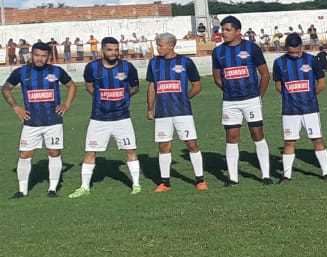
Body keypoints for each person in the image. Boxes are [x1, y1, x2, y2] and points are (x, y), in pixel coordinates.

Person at [70, 37, 142, 197]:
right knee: (90, 151)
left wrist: (124, 96)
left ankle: (136, 185)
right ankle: (84, 187)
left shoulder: (127, 67)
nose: (114, 53)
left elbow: (135, 87)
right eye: (110, 49)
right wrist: (99, 97)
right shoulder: (92, 67)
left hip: (122, 118)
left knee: (130, 150)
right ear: (102, 50)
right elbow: (89, 85)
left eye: (116, 49)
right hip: (98, 118)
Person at [4, 42, 76, 197]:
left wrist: (66, 104)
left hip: (53, 122)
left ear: (48, 56)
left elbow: (71, 86)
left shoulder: (56, 71)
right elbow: (6, 89)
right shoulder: (21, 72)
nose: (40, 58)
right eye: (37, 55)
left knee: (54, 152)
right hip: (31, 122)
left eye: (44, 56)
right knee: (25, 154)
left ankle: (52, 188)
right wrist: (16, 107)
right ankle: (22, 190)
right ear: (31, 54)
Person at [211, 16, 272, 185]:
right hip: (230, 102)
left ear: (238, 32)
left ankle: (265, 175)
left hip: (251, 99)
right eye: (222, 29)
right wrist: (230, 90)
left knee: (257, 134)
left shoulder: (251, 48)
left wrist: (258, 96)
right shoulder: (218, 52)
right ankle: (232, 178)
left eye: (227, 29)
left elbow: (265, 74)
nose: (223, 33)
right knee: (231, 136)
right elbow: (217, 77)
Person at [145, 32, 207, 191]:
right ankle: (165, 183)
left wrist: (185, 98)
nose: (158, 48)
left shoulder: (185, 62)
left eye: (160, 45)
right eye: (157, 45)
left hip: (183, 112)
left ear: (171, 45)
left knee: (192, 144)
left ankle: (200, 180)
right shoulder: (154, 63)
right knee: (164, 146)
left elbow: (197, 85)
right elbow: (152, 86)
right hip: (162, 112)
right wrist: (150, 108)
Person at [272, 33, 327, 181]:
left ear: (301, 47)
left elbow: (321, 83)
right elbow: (279, 86)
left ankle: (325, 173)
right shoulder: (279, 62)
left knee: (317, 139)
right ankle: (286, 175)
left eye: (297, 51)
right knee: (289, 142)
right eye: (291, 52)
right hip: (290, 110)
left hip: (310, 109)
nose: (295, 55)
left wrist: (310, 96)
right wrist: (291, 97)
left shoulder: (312, 60)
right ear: (286, 48)